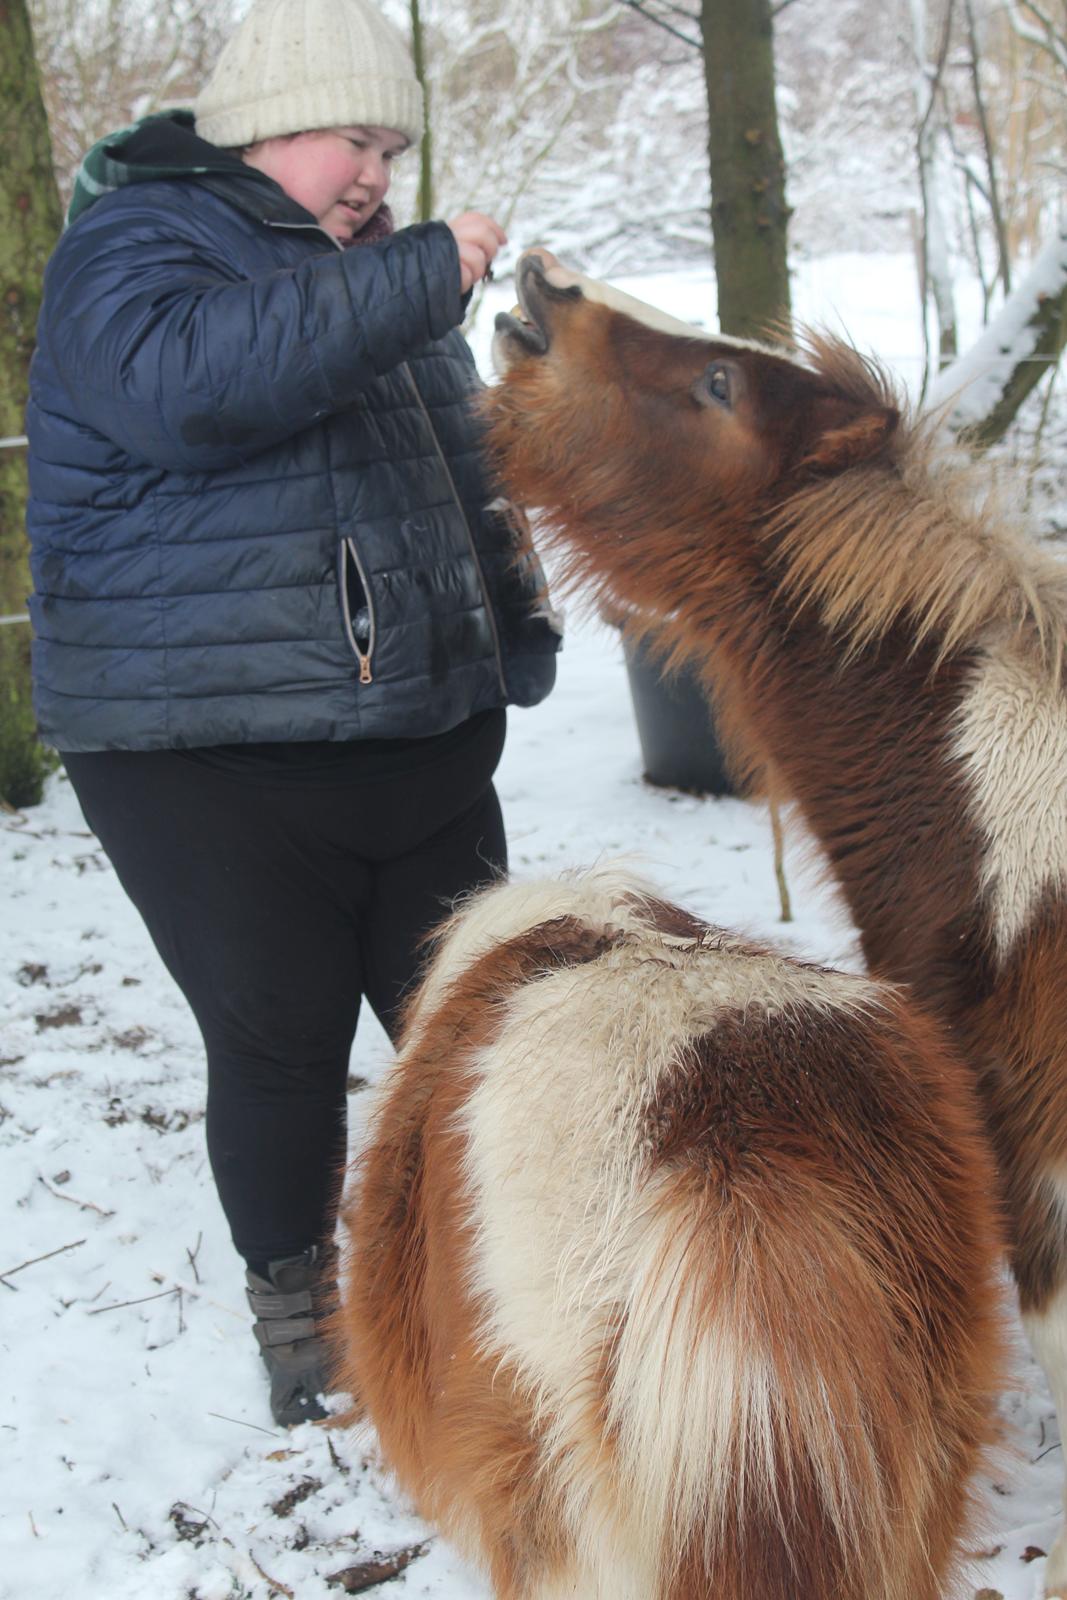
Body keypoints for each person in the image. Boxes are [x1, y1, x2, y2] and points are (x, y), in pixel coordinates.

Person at [24, 0, 559, 1427]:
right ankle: (299, 1307)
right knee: (280, 1041)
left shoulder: (369, 276)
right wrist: (419, 275)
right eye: (352, 137)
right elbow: (189, 387)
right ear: (263, 126)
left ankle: (495, 1291)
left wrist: (508, 617)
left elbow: (444, 469)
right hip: (210, 760)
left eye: (395, 143)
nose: (378, 169)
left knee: (480, 1037)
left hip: (416, 746)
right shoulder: (136, 246)